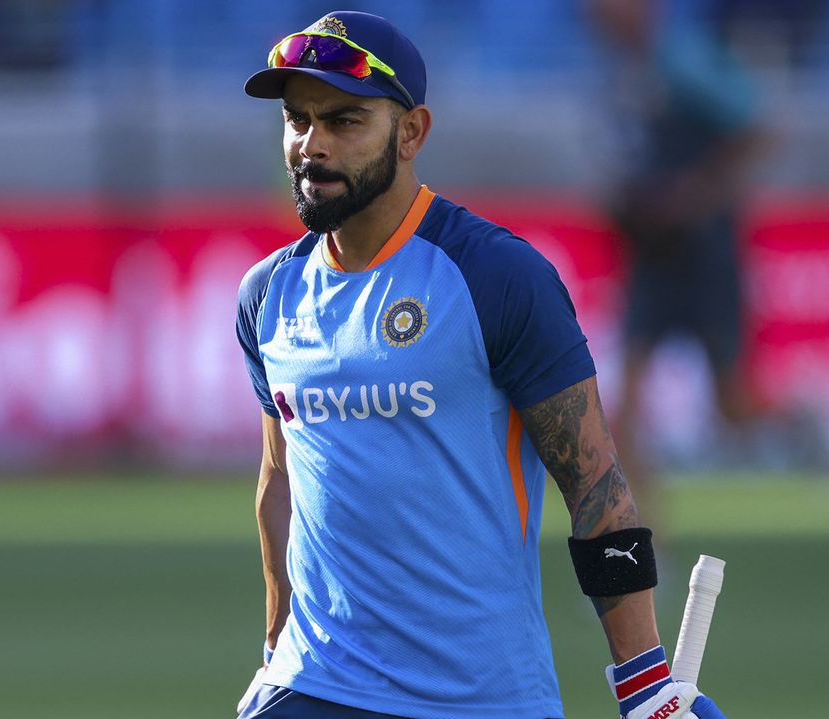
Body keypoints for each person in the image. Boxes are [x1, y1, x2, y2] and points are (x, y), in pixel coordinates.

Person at [234, 11, 726, 719]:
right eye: (298, 120)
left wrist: (646, 682)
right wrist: (275, 638)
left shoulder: (496, 275)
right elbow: (279, 477)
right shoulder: (267, 295)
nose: (312, 145)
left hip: (482, 698)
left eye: (345, 121)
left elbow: (595, 486)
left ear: (411, 133)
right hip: (314, 684)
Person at [587, 0, 813, 513]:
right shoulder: (621, 71)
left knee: (731, 410)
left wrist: (698, 192)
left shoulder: (681, 60)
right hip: (652, 260)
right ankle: (641, 542)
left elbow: (759, 128)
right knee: (620, 414)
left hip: (703, 258)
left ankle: (800, 419)